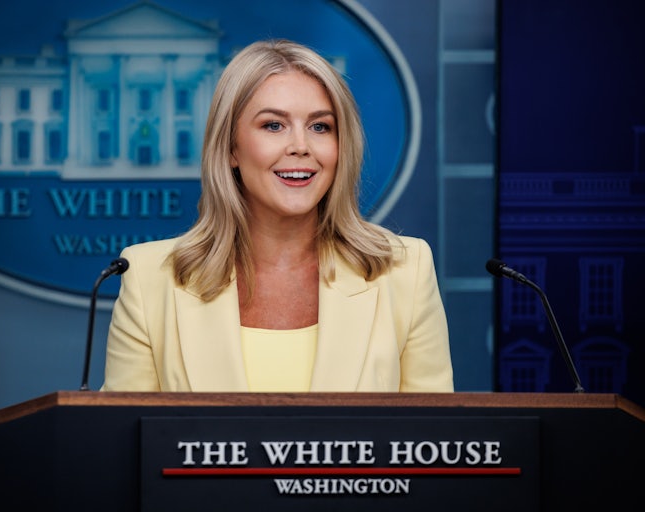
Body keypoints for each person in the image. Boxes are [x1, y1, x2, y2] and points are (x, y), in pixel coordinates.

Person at [101, 39, 453, 393]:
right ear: (231, 148)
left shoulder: (404, 271)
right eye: (274, 125)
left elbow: (434, 441)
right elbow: (120, 442)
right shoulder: (149, 280)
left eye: (320, 127)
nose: (300, 146)